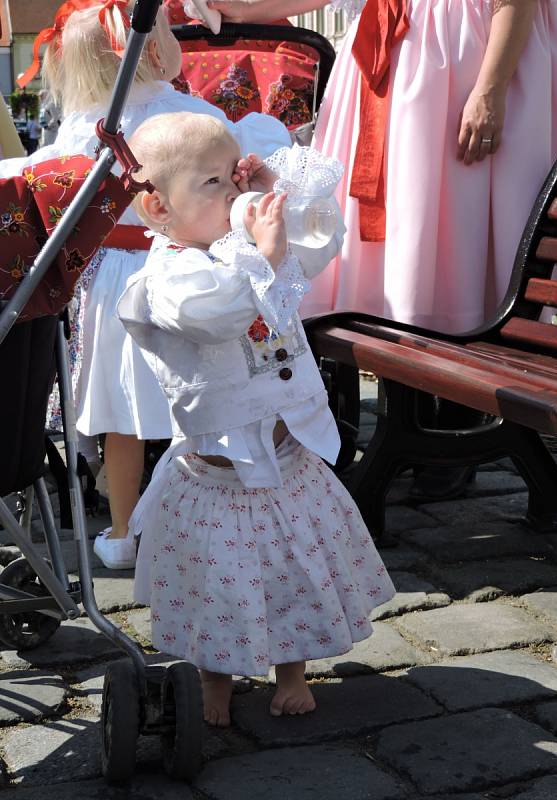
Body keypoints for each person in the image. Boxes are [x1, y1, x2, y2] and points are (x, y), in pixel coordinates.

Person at [208, 0, 557, 499]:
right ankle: (416, 414)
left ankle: (458, 419)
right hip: (400, 63)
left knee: (468, 215)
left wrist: (490, 88)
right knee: (410, 229)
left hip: (471, 54)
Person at [117, 111, 395, 725]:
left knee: (293, 567)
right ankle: (215, 675)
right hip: (221, 472)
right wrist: (262, 258)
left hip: (288, 456)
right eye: (211, 183)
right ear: (157, 208)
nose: (231, 193)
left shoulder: (241, 247)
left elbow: (320, 242)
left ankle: (292, 669)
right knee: (221, 578)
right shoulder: (166, 276)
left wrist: (274, 191)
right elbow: (213, 315)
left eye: (231, 174)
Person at [0, 0, 292, 568]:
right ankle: (222, 517)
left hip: (112, 282)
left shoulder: (86, 124)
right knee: (198, 401)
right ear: (152, 46)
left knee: (123, 415)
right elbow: (234, 157)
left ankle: (123, 530)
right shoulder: (185, 111)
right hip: (183, 264)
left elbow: (44, 180)